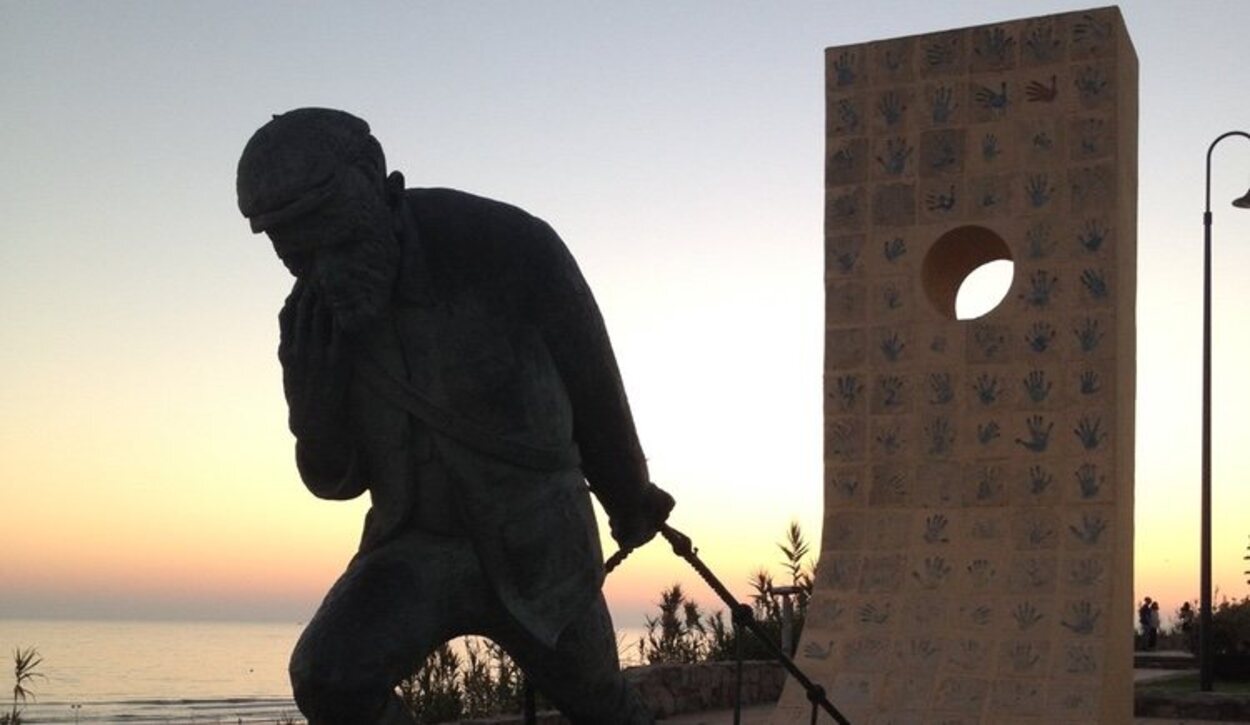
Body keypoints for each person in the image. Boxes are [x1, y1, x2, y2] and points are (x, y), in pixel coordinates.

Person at [236, 108, 674, 724]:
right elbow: (335, 482)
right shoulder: (315, 317)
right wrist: (314, 405)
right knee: (327, 676)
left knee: (600, 703)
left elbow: (594, 383)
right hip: (414, 548)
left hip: (538, 543)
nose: (320, 266)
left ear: (373, 179)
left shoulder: (506, 244)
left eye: (329, 232)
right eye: (294, 250)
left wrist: (628, 498)